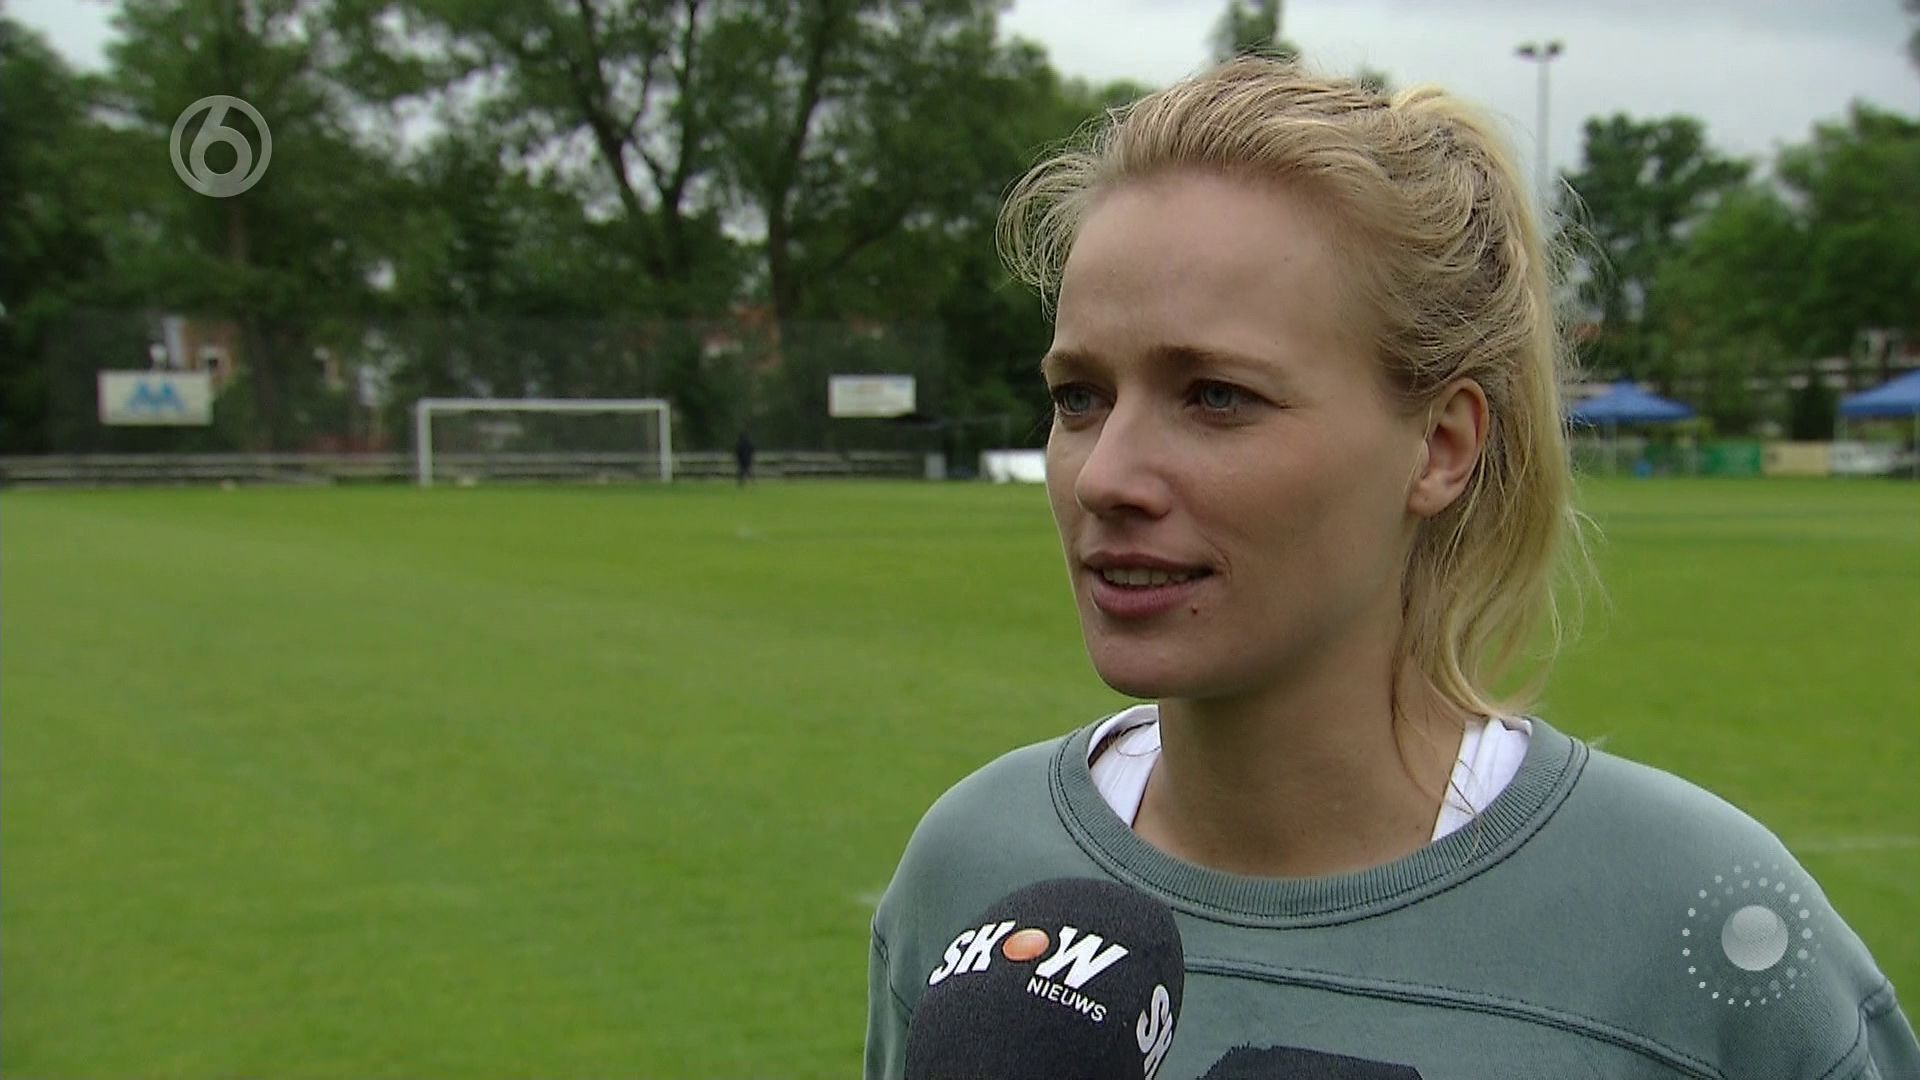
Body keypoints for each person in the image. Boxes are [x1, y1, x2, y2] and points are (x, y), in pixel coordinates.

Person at [865, 58, 1917, 1079]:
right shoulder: (975, 867)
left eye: (1217, 396)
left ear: (1441, 447)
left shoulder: (1703, 925)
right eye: (1080, 398)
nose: (1106, 476)